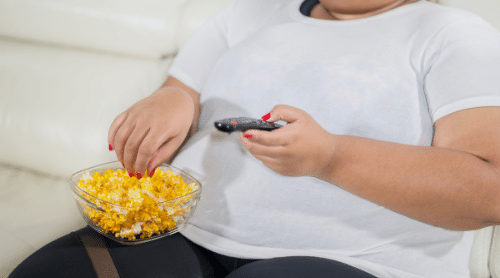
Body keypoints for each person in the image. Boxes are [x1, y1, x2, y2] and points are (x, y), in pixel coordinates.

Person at [10, 0, 500, 277]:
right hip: (182, 234)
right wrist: (175, 100)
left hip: (351, 262)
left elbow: (488, 189)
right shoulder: (246, 17)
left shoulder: (451, 34)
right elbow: (181, 87)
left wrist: (331, 157)